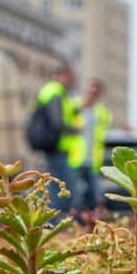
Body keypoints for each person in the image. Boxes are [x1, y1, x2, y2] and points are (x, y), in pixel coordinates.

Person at [34, 66, 79, 214]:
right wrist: (74, 130)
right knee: (59, 187)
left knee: (56, 186)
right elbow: (57, 122)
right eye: (71, 77)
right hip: (56, 148)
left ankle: (53, 219)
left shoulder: (60, 94)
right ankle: (54, 220)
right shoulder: (55, 91)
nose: (73, 81)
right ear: (63, 76)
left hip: (58, 149)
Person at [69, 78, 113, 215]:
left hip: (93, 160)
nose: (92, 93)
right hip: (74, 159)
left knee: (96, 196)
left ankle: (95, 224)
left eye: (96, 91)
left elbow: (105, 132)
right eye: (90, 90)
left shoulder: (102, 112)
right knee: (74, 197)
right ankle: (74, 224)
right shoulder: (75, 105)